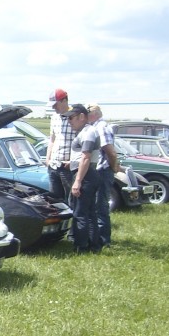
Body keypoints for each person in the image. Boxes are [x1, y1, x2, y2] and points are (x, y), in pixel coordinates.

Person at [67, 104, 103, 253]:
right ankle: (94, 245)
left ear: (82, 117)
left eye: (71, 118)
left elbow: (86, 157)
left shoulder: (88, 132)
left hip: (85, 176)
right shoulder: (85, 132)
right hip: (88, 174)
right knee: (89, 212)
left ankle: (81, 247)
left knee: (80, 213)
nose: (69, 121)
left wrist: (78, 181)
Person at [87, 103, 121, 248]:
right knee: (97, 205)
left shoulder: (101, 127)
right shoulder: (95, 126)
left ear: (94, 114)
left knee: (100, 206)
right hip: (100, 171)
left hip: (102, 171)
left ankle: (103, 240)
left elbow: (111, 152)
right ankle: (97, 237)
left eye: (88, 113)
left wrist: (113, 167)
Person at [43, 88, 74, 202]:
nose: (53, 107)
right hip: (53, 165)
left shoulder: (75, 117)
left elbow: (82, 143)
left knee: (71, 199)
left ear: (64, 101)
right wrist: (48, 159)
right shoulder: (54, 118)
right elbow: (52, 140)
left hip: (67, 166)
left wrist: (73, 161)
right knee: (54, 199)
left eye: (55, 104)